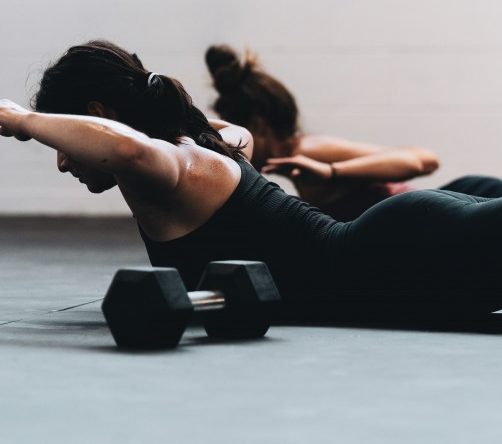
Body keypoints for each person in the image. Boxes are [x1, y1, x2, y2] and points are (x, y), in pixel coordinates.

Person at [1, 40, 502, 321]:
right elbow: (142, 136)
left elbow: (126, 146)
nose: (63, 162)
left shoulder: (168, 167)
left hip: (400, 255)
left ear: (96, 115)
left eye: (63, 143)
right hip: (402, 255)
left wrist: (21, 120)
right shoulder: (214, 142)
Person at [205, 45, 502, 221]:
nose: (232, 147)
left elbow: (423, 160)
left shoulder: (309, 151)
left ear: (258, 126)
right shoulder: (301, 164)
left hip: (465, 203)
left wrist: (331, 172)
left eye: (234, 135)